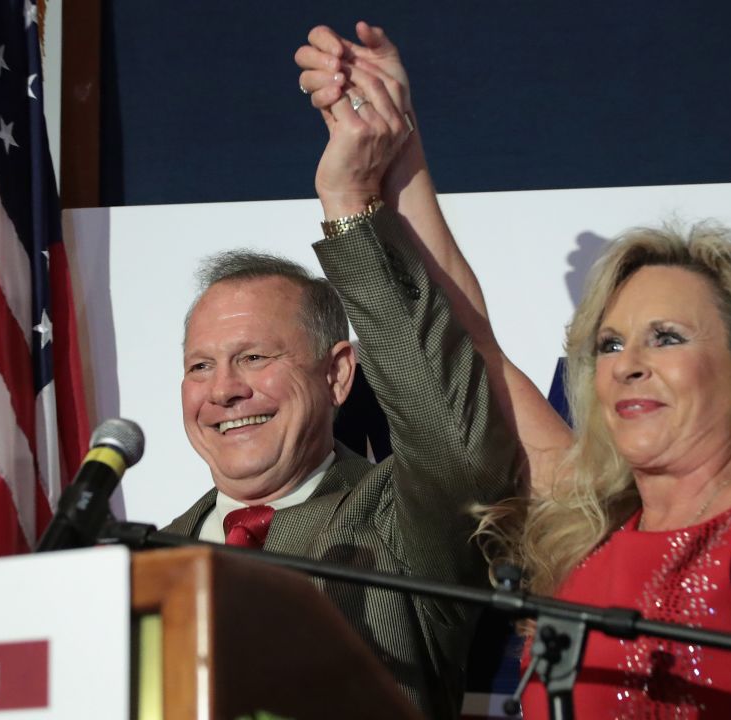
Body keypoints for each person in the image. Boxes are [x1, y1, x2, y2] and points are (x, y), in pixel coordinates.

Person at [295, 22, 731, 719]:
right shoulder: (595, 523)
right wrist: (393, 147)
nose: (629, 367)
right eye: (609, 346)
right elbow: (474, 346)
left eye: (665, 338)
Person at [163, 62, 522, 718]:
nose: (224, 391)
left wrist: (349, 199)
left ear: (336, 374)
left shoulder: (398, 520)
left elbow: (449, 431)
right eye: (200, 367)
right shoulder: (147, 557)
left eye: (253, 357)